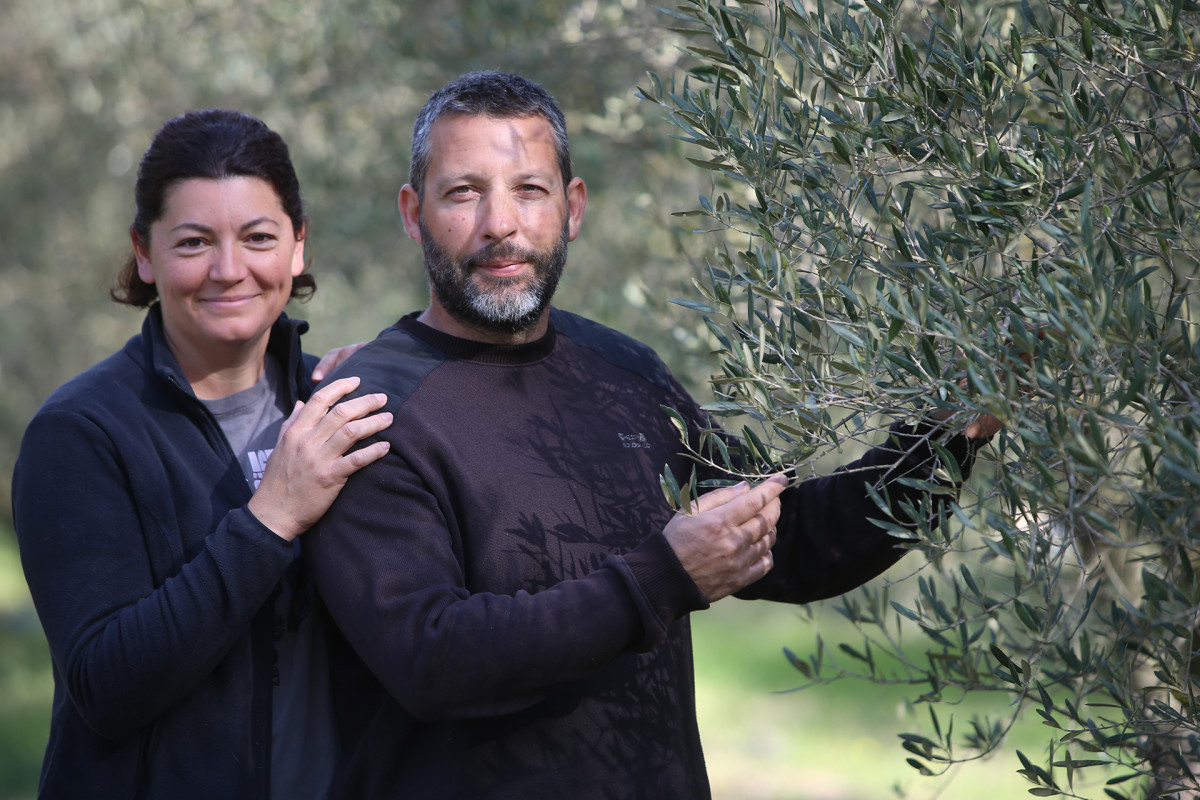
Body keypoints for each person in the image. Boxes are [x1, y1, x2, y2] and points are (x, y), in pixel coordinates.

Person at [306, 71, 997, 799]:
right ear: (414, 214)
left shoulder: (622, 372)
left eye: (530, 190)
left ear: (572, 210)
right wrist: (665, 576)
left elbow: (791, 540)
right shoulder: (370, 409)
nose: (499, 223)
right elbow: (431, 658)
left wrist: (950, 433)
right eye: (463, 192)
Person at [12, 109, 392, 800]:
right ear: (144, 252)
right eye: (193, 242)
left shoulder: (334, 409)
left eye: (258, 237)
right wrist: (270, 517)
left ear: (298, 246)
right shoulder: (80, 434)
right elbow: (106, 687)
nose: (228, 270)